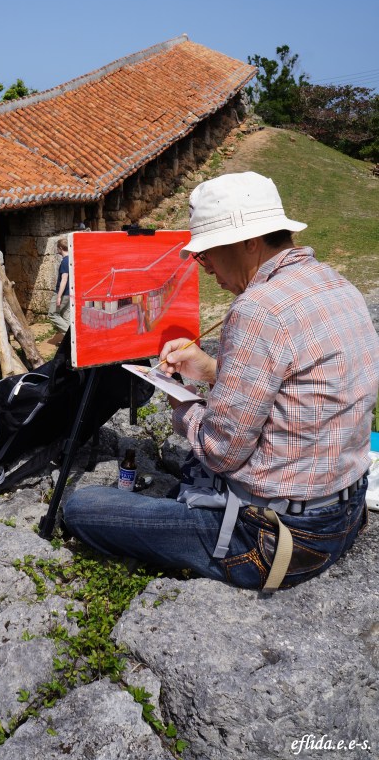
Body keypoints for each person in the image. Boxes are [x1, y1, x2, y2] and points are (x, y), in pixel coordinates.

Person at [64, 172, 379, 591]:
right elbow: (296, 388)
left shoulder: (258, 310)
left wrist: (184, 407)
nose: (205, 265)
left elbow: (222, 452)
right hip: (345, 511)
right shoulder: (337, 286)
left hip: (275, 539)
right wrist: (212, 371)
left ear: (250, 241)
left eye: (207, 252)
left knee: (84, 507)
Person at [48, 237, 70, 334]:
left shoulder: (65, 261)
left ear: (60, 248)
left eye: (57, 248)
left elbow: (64, 280)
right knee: (66, 317)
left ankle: (71, 334)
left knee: (52, 314)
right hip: (70, 293)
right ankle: (70, 344)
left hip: (63, 293)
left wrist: (58, 297)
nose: (57, 250)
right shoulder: (72, 259)